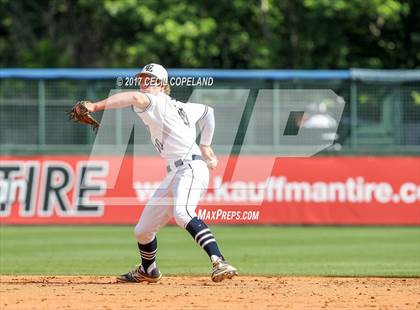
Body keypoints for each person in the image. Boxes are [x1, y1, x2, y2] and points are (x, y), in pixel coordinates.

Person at [82, 63, 237, 283]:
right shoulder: (181, 106)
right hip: (176, 173)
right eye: (142, 78)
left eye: (150, 79)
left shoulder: (153, 101)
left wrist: (95, 106)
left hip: (190, 169)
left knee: (183, 213)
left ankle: (219, 261)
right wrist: (206, 145)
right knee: (143, 230)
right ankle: (148, 270)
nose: (144, 82)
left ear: (162, 84)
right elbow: (207, 112)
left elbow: (134, 98)